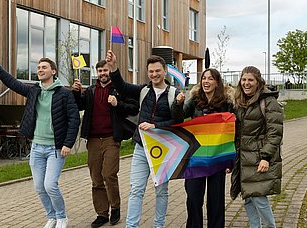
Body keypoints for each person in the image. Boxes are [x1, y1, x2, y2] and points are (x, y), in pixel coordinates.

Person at [0, 54, 79, 228]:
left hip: (55, 149)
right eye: (38, 68)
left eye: (44, 67)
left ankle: (62, 217)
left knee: (50, 185)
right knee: (39, 187)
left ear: (53, 71)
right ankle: (51, 217)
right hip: (37, 147)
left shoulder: (64, 94)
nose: (40, 70)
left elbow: (74, 119)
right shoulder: (34, 91)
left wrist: (68, 144)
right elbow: (12, 82)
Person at [105, 50, 184, 228]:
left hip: (163, 150)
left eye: (157, 71)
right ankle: (131, 226)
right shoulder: (143, 90)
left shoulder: (174, 94)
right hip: (141, 148)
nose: (154, 74)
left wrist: (156, 126)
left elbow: (178, 122)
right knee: (136, 190)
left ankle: (159, 225)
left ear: (165, 71)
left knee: (161, 191)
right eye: (151, 71)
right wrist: (114, 67)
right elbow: (122, 87)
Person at [71, 60, 139, 228]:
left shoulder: (119, 89)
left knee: (109, 174)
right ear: (97, 72)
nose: (103, 73)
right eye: (100, 70)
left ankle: (115, 208)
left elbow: (134, 108)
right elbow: (78, 106)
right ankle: (102, 214)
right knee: (96, 179)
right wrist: (76, 92)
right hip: (93, 140)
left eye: (106, 70)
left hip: (111, 138)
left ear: (110, 71)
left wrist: (118, 103)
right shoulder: (91, 91)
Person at [174, 68, 234, 228]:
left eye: (210, 79)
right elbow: (178, 119)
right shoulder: (194, 101)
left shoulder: (227, 104)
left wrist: (230, 160)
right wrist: (178, 104)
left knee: (216, 198)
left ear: (217, 82)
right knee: (193, 197)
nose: (206, 81)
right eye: (204, 79)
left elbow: (232, 132)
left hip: (217, 157)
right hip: (196, 157)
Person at [230, 66, 283, 228]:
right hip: (243, 158)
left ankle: (270, 226)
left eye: (250, 80)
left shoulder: (269, 102)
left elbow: (275, 133)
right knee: (248, 198)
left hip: (259, 157)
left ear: (258, 82)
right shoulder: (240, 101)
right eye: (244, 79)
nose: (246, 83)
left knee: (259, 198)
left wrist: (265, 157)